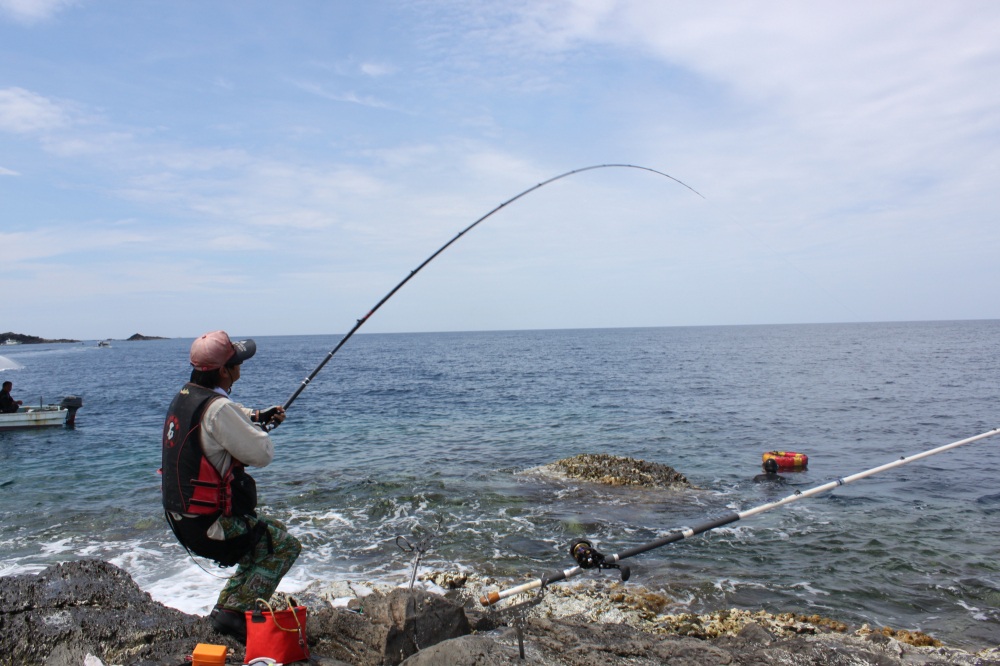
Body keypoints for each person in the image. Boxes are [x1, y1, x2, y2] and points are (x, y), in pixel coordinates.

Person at [161, 330, 300, 642]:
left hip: (184, 520)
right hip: (211, 527)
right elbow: (262, 453)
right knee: (286, 545)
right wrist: (257, 433)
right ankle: (234, 616)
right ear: (224, 371)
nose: (240, 368)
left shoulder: (186, 397)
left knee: (268, 532)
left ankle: (226, 610)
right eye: (236, 364)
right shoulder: (217, 410)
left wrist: (255, 416)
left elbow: (223, 413)